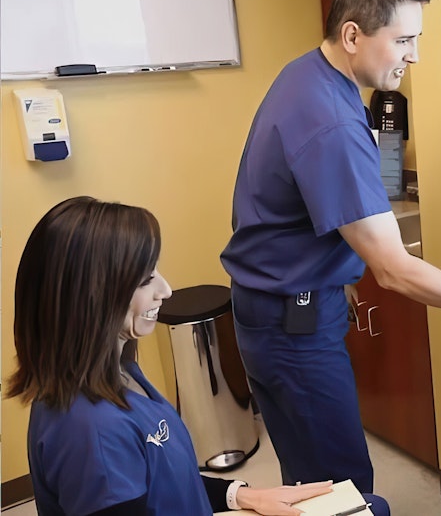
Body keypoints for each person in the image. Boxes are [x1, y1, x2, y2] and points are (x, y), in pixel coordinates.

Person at [220, 0, 441, 496]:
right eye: (403, 41)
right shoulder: (334, 123)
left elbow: (301, 200)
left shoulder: (306, 73)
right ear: (352, 35)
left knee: (304, 478)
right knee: (341, 487)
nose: (413, 56)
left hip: (268, 305)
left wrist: (339, 275)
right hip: (293, 321)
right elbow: (393, 272)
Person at [5, 196, 338, 515]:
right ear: (91, 298)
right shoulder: (93, 434)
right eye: (147, 279)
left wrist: (243, 495)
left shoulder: (118, 373)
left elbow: (163, 483)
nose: (165, 290)